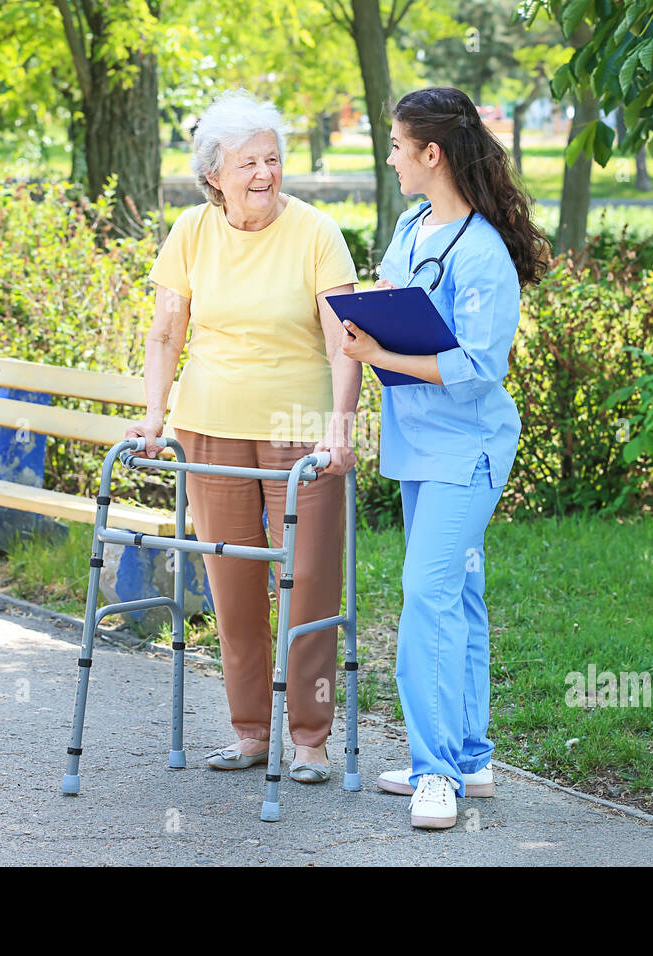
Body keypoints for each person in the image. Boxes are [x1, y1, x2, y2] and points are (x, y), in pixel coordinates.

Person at [127, 90, 360, 782]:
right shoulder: (192, 233)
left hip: (303, 434)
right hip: (211, 426)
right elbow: (167, 330)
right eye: (248, 162)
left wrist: (341, 428)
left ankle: (311, 739)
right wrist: (153, 415)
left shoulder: (317, 232)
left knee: (311, 585)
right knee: (234, 584)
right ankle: (251, 732)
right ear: (214, 174)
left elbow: (344, 339)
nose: (264, 173)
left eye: (273, 159)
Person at [339, 87, 550, 828]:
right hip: (418, 446)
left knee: (425, 596)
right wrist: (369, 319)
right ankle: (468, 758)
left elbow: (478, 367)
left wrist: (385, 350)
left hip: (469, 453)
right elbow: (398, 297)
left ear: (432, 153)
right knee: (457, 596)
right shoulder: (413, 222)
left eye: (398, 145)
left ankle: (436, 777)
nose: (390, 157)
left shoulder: (484, 254)